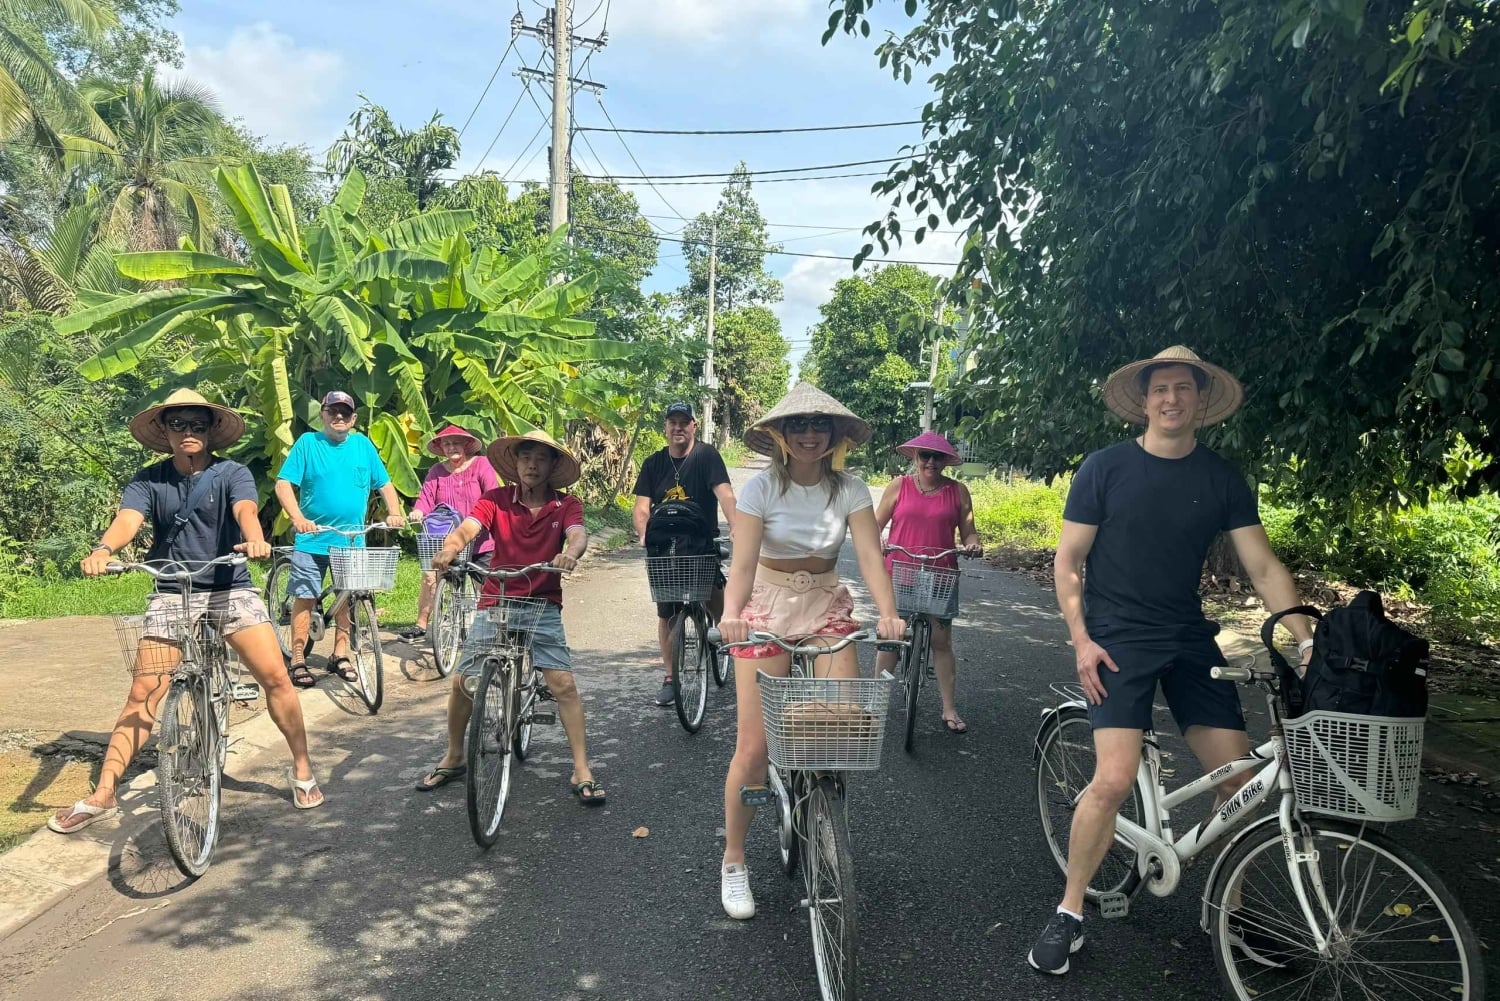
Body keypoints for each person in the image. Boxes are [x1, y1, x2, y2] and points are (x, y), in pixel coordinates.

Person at [1028, 346, 1313, 975]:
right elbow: (1068, 561)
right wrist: (1081, 638)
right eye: (1161, 388)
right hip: (1117, 636)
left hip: (1187, 635)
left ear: (1200, 401)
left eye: (1184, 388)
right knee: (1112, 778)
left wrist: (1305, 637)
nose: (1172, 399)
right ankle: (1071, 910)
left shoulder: (1221, 478)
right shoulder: (1104, 468)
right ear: (1146, 399)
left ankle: (1230, 915)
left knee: (1239, 782)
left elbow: (1262, 565)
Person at [51, 389, 323, 833]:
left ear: (212, 432)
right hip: (172, 591)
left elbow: (246, 509)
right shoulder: (148, 481)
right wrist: (103, 548)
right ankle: (103, 792)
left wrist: (253, 537)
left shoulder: (232, 473)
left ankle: (302, 766)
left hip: (227, 585)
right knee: (143, 692)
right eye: (179, 423)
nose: (189, 431)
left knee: (276, 677)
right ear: (165, 430)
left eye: (199, 424)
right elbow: (127, 520)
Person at [716, 383, 906, 919]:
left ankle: (824, 816)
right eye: (797, 426)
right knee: (753, 749)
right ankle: (734, 862)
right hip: (766, 605)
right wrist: (732, 614)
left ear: (835, 435)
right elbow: (745, 561)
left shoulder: (850, 488)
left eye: (819, 425)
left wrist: (888, 613)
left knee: (839, 727)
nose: (808, 435)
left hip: (825, 603)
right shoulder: (761, 490)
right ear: (781, 434)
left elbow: (871, 555)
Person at [418, 430, 604, 803]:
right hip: (497, 598)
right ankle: (454, 754)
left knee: (562, 684)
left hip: (542, 603)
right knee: (462, 681)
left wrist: (571, 554)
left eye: (540, 458)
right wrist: (450, 548)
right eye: (525, 457)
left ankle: (582, 767)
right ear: (515, 464)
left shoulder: (566, 505)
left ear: (553, 466)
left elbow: (578, 535)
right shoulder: (496, 500)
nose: (532, 465)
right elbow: (468, 529)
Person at [274, 391, 406, 688]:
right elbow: (284, 485)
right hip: (313, 539)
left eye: (345, 413)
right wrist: (298, 519)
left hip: (352, 539)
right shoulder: (308, 444)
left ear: (353, 418)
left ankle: (340, 654)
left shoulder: (362, 446)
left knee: (347, 598)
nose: (339, 417)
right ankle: (297, 658)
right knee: (306, 597)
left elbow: (384, 483)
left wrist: (394, 512)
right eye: (333, 411)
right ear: (322, 414)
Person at [874, 431, 983, 733]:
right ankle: (876, 703)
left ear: (946, 461)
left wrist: (973, 544)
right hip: (900, 571)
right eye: (925, 456)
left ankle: (948, 708)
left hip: (941, 574)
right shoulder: (900, 486)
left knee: (941, 641)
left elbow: (969, 532)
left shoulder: (958, 492)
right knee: (892, 636)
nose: (931, 462)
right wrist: (877, 543)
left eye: (937, 457)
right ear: (915, 458)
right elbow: (874, 524)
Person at [632, 401, 738, 706]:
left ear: (694, 426)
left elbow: (725, 494)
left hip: (701, 541)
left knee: (715, 597)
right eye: (673, 422)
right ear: (665, 427)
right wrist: (643, 533)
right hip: (665, 546)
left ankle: (724, 633)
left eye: (684, 422)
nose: (678, 428)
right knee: (667, 612)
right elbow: (641, 507)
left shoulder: (706, 456)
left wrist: (737, 526)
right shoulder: (653, 463)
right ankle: (669, 676)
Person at [400, 425, 500, 641]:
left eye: (455, 443)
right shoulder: (436, 472)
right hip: (445, 542)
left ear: (466, 445)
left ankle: (494, 629)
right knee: (430, 576)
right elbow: (425, 498)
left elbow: (492, 495)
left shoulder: (481, 465)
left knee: (488, 585)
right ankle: (421, 624)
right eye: (446, 443)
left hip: (481, 540)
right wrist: (418, 511)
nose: (451, 447)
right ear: (441, 447)